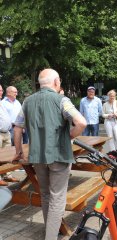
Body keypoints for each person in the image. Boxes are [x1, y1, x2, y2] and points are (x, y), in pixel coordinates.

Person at [13, 68, 87, 240]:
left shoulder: (27, 102)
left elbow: (17, 129)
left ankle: (50, 233)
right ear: (56, 82)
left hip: (37, 157)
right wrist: (69, 136)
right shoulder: (62, 100)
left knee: (46, 195)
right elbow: (81, 122)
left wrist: (19, 152)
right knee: (57, 198)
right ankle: (51, 237)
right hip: (59, 155)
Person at [0, 85, 12, 186]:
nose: (1, 92)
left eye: (1, 90)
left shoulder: (2, 103)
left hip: (7, 133)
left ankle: (7, 175)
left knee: (7, 156)